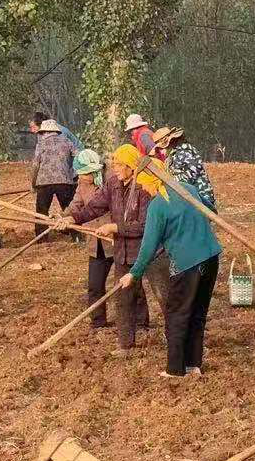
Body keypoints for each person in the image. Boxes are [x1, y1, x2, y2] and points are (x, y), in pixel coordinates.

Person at [120, 166, 223, 378]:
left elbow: (148, 246)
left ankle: (175, 369)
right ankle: (193, 365)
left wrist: (134, 273)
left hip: (187, 264)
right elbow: (211, 211)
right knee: (197, 313)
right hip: (211, 257)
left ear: (152, 180)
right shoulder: (188, 189)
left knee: (177, 315)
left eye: (144, 184)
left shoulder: (158, 206)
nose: (144, 189)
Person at [68, 145, 156, 351]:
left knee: (164, 297)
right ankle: (126, 345)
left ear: (131, 166)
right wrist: (73, 218)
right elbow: (94, 207)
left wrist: (115, 227)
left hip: (148, 251)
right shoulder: (113, 184)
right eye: (114, 164)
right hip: (122, 251)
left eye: (119, 164)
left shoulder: (145, 188)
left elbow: (145, 226)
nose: (114, 168)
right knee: (123, 297)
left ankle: (174, 338)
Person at [71, 149, 112, 329]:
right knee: (95, 285)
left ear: (94, 170)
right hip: (95, 242)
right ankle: (98, 321)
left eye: (84, 173)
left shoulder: (112, 181)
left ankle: (140, 321)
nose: (81, 177)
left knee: (129, 284)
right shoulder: (82, 184)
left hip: (116, 239)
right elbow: (76, 205)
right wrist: (62, 218)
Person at [153, 126, 217, 212]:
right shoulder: (174, 153)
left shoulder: (184, 150)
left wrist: (172, 181)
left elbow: (193, 171)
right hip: (189, 196)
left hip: (200, 196)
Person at [32, 119, 77, 236]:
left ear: (45, 132)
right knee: (69, 209)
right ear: (56, 131)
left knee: (41, 211)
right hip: (64, 180)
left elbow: (35, 165)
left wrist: (33, 184)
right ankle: (76, 235)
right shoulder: (66, 141)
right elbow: (77, 157)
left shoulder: (41, 144)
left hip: (44, 181)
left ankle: (41, 237)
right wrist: (73, 174)